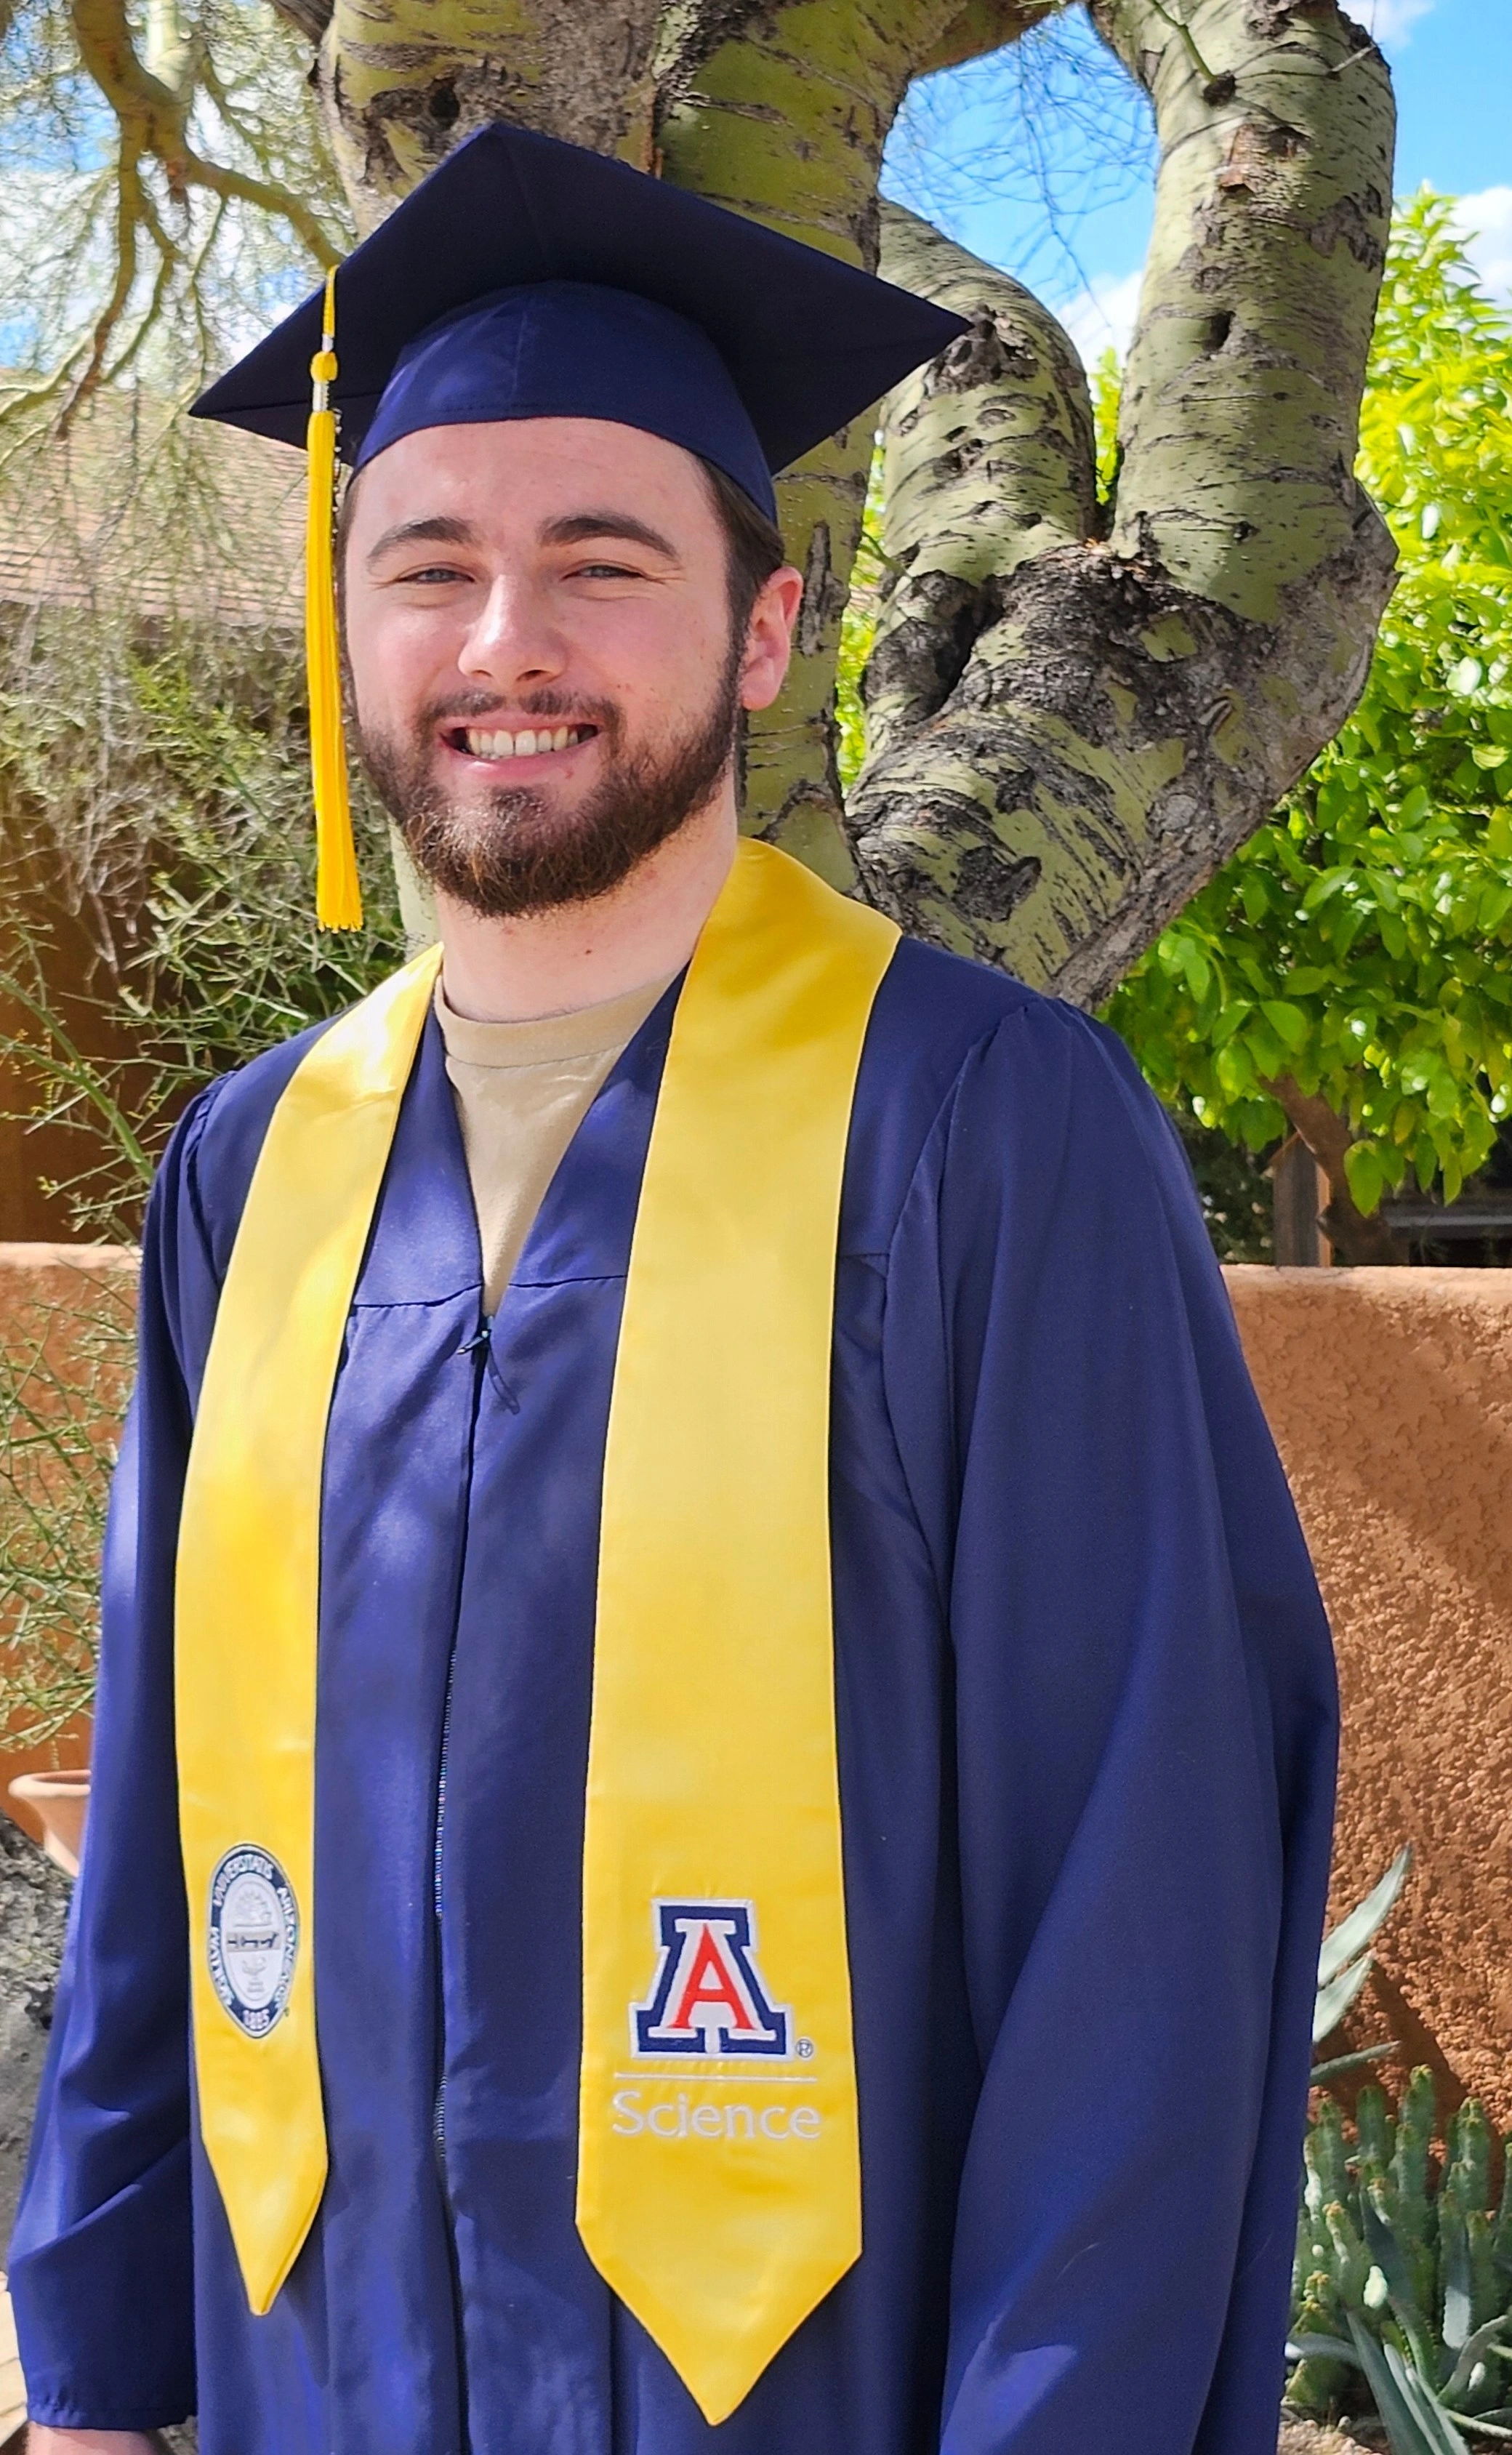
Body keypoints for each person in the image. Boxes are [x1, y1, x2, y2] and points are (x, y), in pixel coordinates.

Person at [10, 121, 1337, 2455]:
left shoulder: (983, 1134)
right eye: (429, 567)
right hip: (321, 2378)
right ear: (355, 626)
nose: (503, 642)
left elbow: (1146, 1906)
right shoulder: (257, 1162)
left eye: (598, 563)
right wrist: (97, 2372)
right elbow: (164, 1816)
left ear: (764, 627)